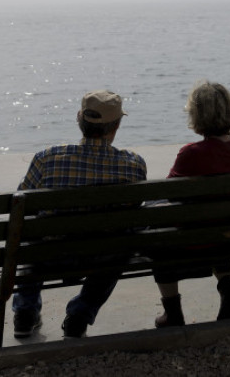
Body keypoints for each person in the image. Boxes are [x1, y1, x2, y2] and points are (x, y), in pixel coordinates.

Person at [11, 90, 147, 340]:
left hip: (51, 254)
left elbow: (22, 205)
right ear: (116, 126)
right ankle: (79, 316)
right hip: (102, 256)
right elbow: (134, 207)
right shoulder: (133, 164)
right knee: (120, 246)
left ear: (79, 119)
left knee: (32, 236)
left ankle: (25, 313)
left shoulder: (46, 158)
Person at [153, 80, 230, 328]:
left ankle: (172, 312)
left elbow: (170, 193)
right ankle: (228, 286)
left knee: (155, 234)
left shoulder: (191, 153)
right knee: (220, 215)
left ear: (197, 115)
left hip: (195, 240)